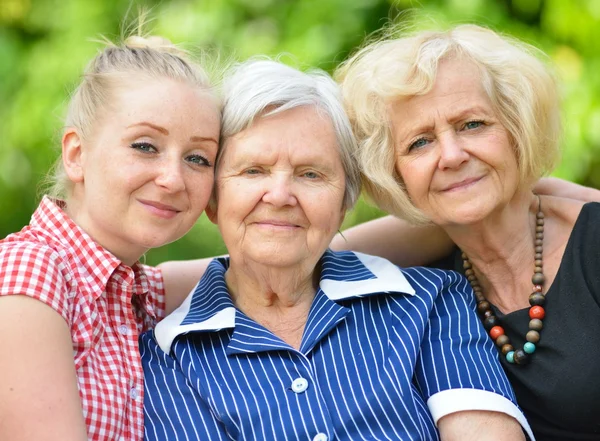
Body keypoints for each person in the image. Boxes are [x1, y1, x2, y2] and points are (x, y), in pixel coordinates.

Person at [141, 59, 534, 441]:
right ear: (212, 199)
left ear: (344, 202)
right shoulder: (166, 356)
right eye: (253, 171)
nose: (279, 196)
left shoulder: (428, 302)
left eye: (310, 174)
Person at [334, 24, 600, 440]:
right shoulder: (423, 290)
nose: (452, 155)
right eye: (419, 143)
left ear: (517, 129)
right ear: (395, 175)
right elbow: (304, 260)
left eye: (473, 124)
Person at [0, 34, 220, 441]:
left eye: (197, 158)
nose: (173, 179)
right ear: (76, 155)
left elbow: (284, 258)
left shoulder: (134, 293)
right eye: (145, 146)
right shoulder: (31, 271)